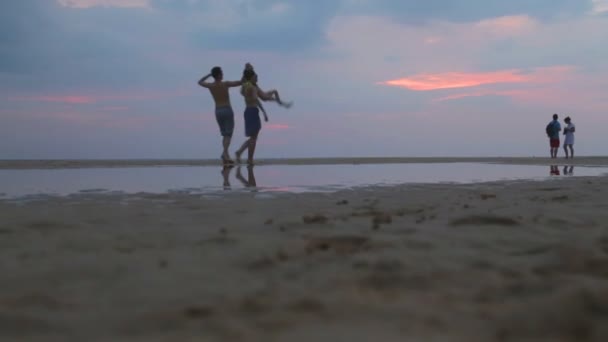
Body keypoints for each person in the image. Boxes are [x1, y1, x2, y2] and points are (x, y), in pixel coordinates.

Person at [198, 66, 242, 165]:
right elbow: (239, 82)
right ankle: (224, 153)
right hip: (227, 109)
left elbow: (200, 82)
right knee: (228, 134)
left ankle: (226, 156)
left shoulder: (211, 86)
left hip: (218, 111)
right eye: (221, 73)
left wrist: (210, 74)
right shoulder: (225, 84)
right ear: (218, 75)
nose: (223, 74)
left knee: (224, 134)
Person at [235, 69, 267, 165]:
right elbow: (255, 99)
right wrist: (264, 112)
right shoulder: (251, 87)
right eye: (255, 77)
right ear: (251, 78)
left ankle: (240, 152)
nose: (257, 79)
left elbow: (242, 92)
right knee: (253, 138)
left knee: (253, 137)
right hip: (252, 111)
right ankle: (249, 159)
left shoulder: (244, 87)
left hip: (248, 111)